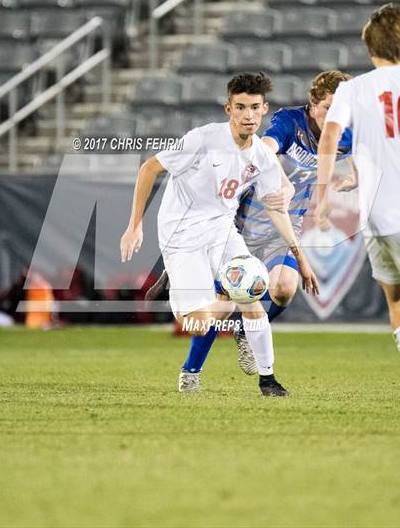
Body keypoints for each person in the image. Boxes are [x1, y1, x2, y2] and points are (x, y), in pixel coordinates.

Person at [121, 72, 319, 396]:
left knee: (253, 291)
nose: (248, 115)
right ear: (228, 109)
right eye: (240, 107)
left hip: (221, 228)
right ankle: (210, 301)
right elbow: (149, 168)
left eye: (255, 107)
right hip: (181, 234)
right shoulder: (202, 140)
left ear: (264, 108)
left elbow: (275, 209)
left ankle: (268, 380)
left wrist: (300, 257)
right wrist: (134, 226)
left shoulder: (262, 156)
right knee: (200, 322)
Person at [148, 71, 354, 380]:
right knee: (223, 303)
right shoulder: (290, 122)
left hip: (286, 220)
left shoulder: (344, 134)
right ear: (313, 104)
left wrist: (354, 177)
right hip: (245, 218)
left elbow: (366, 153)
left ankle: (248, 335)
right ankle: (191, 371)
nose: (335, 116)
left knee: (283, 289)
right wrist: (279, 179)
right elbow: (266, 147)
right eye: (329, 107)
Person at [316, 3, 400, 369]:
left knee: (399, 302)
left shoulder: (353, 90)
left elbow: (330, 139)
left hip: (377, 220)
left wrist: (322, 198)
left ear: (370, 49)